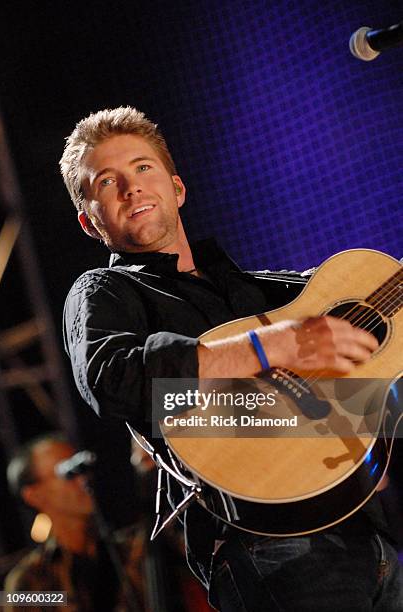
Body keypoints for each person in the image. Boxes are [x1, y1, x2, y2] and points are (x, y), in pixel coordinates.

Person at [60, 106, 403, 611]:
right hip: (265, 547)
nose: (131, 187)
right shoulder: (106, 291)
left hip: (367, 528)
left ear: (178, 189)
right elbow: (117, 382)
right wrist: (272, 346)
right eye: (107, 181)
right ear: (90, 222)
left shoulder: (265, 290)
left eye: (142, 167)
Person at [5, 434, 147, 611]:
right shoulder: (30, 582)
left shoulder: (133, 551)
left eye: (80, 468)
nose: (83, 479)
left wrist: (150, 476)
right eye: (67, 472)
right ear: (34, 495)